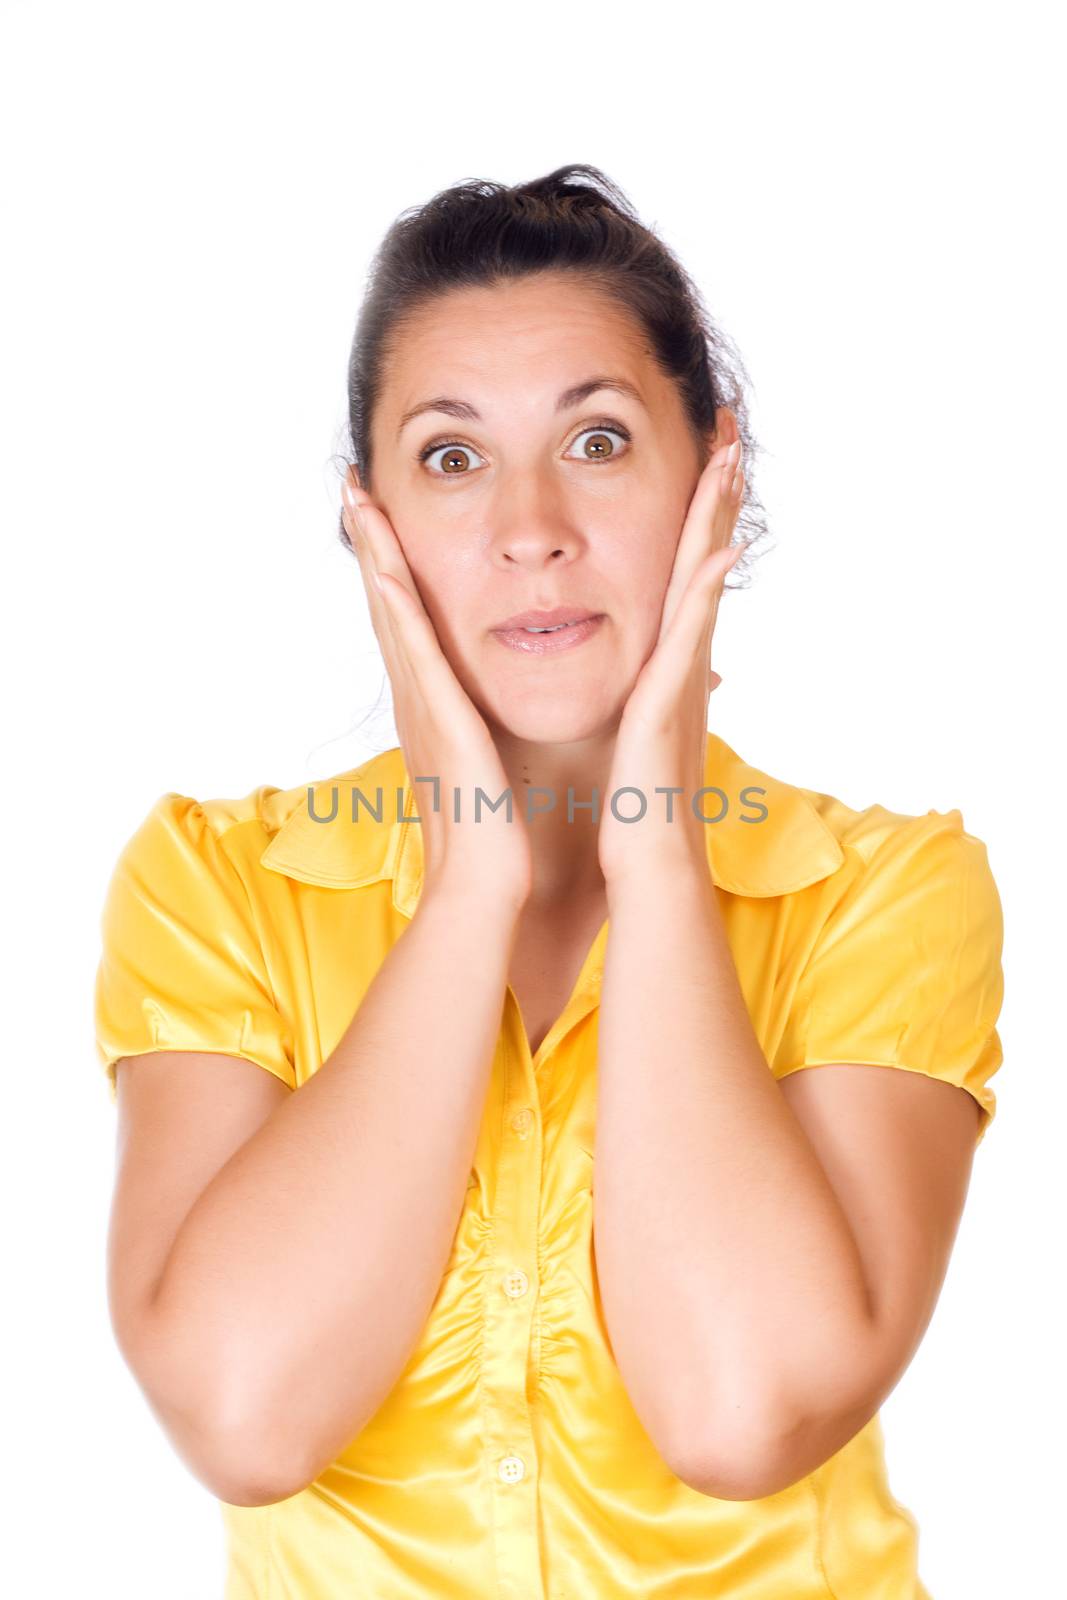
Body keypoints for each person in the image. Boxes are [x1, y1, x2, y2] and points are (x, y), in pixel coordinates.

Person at [93, 164, 1005, 1599]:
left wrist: (654, 837)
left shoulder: (885, 890)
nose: (530, 528)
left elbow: (744, 1410)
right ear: (368, 521)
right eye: (452, 459)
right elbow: (245, 1418)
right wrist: (470, 887)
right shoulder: (217, 881)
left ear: (716, 472)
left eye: (596, 439)